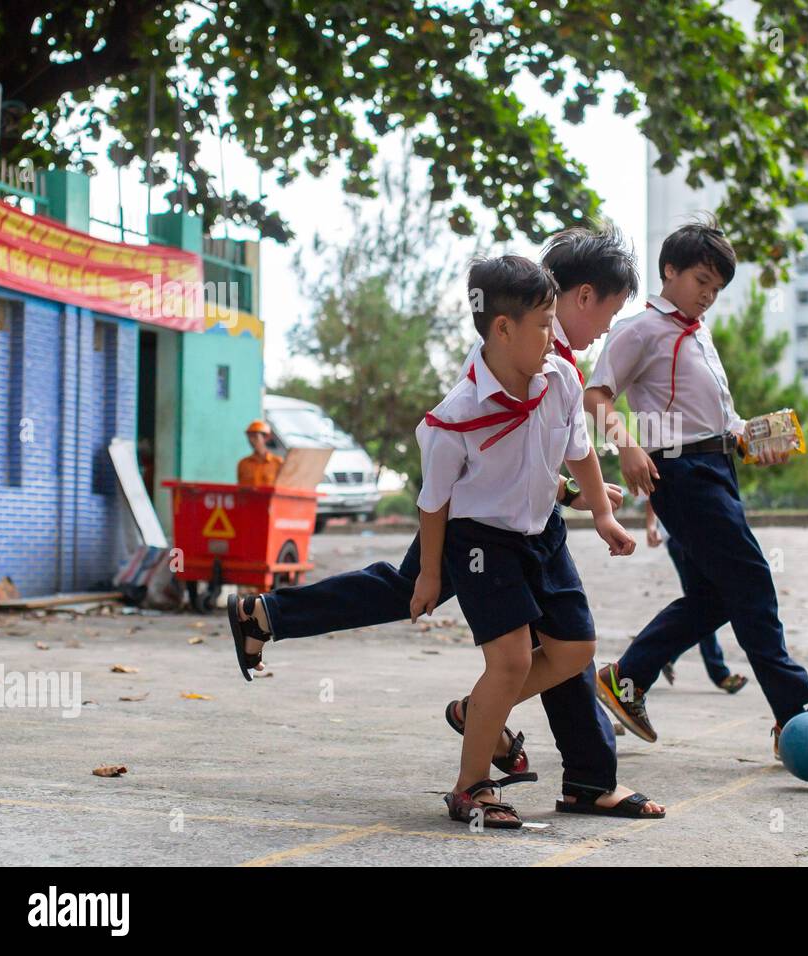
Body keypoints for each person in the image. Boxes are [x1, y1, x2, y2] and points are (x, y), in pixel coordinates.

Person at [226, 225, 665, 818]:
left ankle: (270, 615)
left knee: (547, 639)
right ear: (581, 297)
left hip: (522, 521)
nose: (609, 328)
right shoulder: (511, 358)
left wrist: (579, 498)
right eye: (609, 311)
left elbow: (551, 447)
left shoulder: (549, 362)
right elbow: (473, 466)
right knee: (487, 633)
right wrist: (566, 494)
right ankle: (535, 765)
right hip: (477, 527)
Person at [585, 216, 808, 761]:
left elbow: (720, 418)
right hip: (681, 475)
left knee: (718, 595)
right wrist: (628, 445)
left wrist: (750, 437)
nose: (707, 297)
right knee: (754, 582)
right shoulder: (640, 330)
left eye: (715, 290)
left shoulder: (699, 333)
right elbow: (595, 397)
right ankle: (795, 712)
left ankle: (628, 677)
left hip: (717, 470)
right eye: (700, 282)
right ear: (669, 271)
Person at [411, 255, 634, 827]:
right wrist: (431, 576)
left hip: (542, 536)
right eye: (542, 324)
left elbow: (579, 452)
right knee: (509, 662)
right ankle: (471, 788)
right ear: (503, 328)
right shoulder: (453, 418)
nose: (551, 334)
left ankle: (480, 707)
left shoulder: (559, 379)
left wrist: (604, 516)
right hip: (482, 543)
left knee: (574, 650)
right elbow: (432, 504)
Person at [644, 500, 748, 694]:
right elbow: (651, 487)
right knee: (705, 603)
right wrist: (651, 525)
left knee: (705, 602)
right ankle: (718, 673)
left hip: (705, 529)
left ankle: (665, 653)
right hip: (681, 534)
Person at [236, 420, 282, 488]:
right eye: (250, 437)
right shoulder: (243, 464)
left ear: (266, 437)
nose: (251, 440)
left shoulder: (278, 463)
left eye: (255, 436)